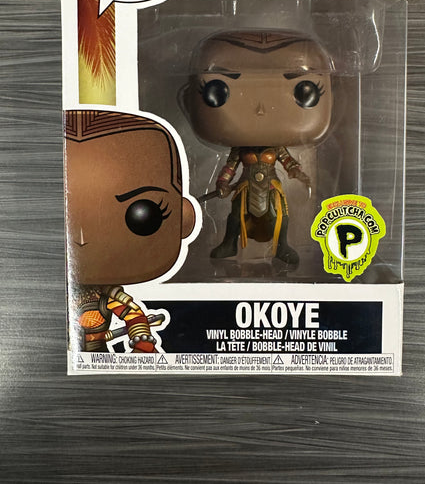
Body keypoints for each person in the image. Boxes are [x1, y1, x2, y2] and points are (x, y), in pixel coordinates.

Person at [187, 31, 333, 264]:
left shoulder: (277, 147)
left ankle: (282, 246)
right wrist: (223, 183)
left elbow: (287, 161)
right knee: (236, 214)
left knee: (280, 214)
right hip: (245, 186)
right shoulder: (239, 149)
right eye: (217, 90)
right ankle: (229, 243)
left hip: (271, 185)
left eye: (305, 90)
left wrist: (298, 173)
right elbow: (230, 166)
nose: (261, 109)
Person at [64, 109, 196, 352]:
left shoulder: (110, 296)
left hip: (97, 355)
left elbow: (134, 316)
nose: (82, 239)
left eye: (142, 216)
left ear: (184, 218)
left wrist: (142, 342)